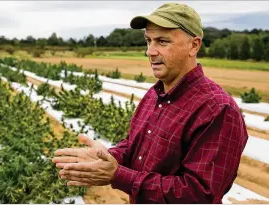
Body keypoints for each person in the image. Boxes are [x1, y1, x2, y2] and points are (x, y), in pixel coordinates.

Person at [52, 2, 248, 203]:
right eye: (148, 41)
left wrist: (117, 175)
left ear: (194, 45)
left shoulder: (218, 110)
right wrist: (106, 159)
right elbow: (134, 147)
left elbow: (198, 194)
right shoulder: (155, 94)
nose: (150, 52)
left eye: (162, 41)